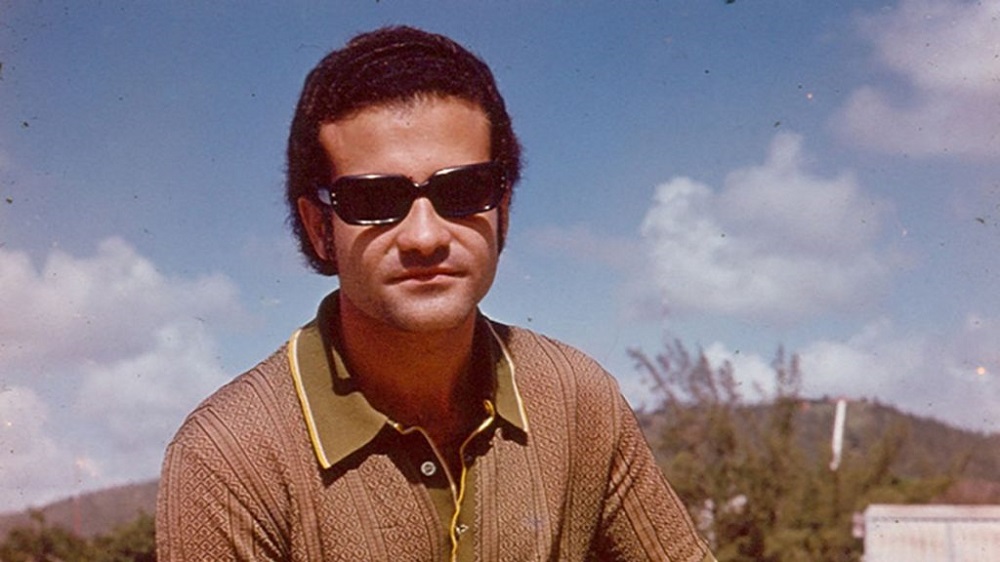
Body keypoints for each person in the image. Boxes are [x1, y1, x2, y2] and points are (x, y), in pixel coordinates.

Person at [156, 26, 716, 562]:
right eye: (375, 200)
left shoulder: (578, 399)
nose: (424, 237)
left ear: (503, 210)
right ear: (319, 228)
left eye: (464, 190)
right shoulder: (227, 457)